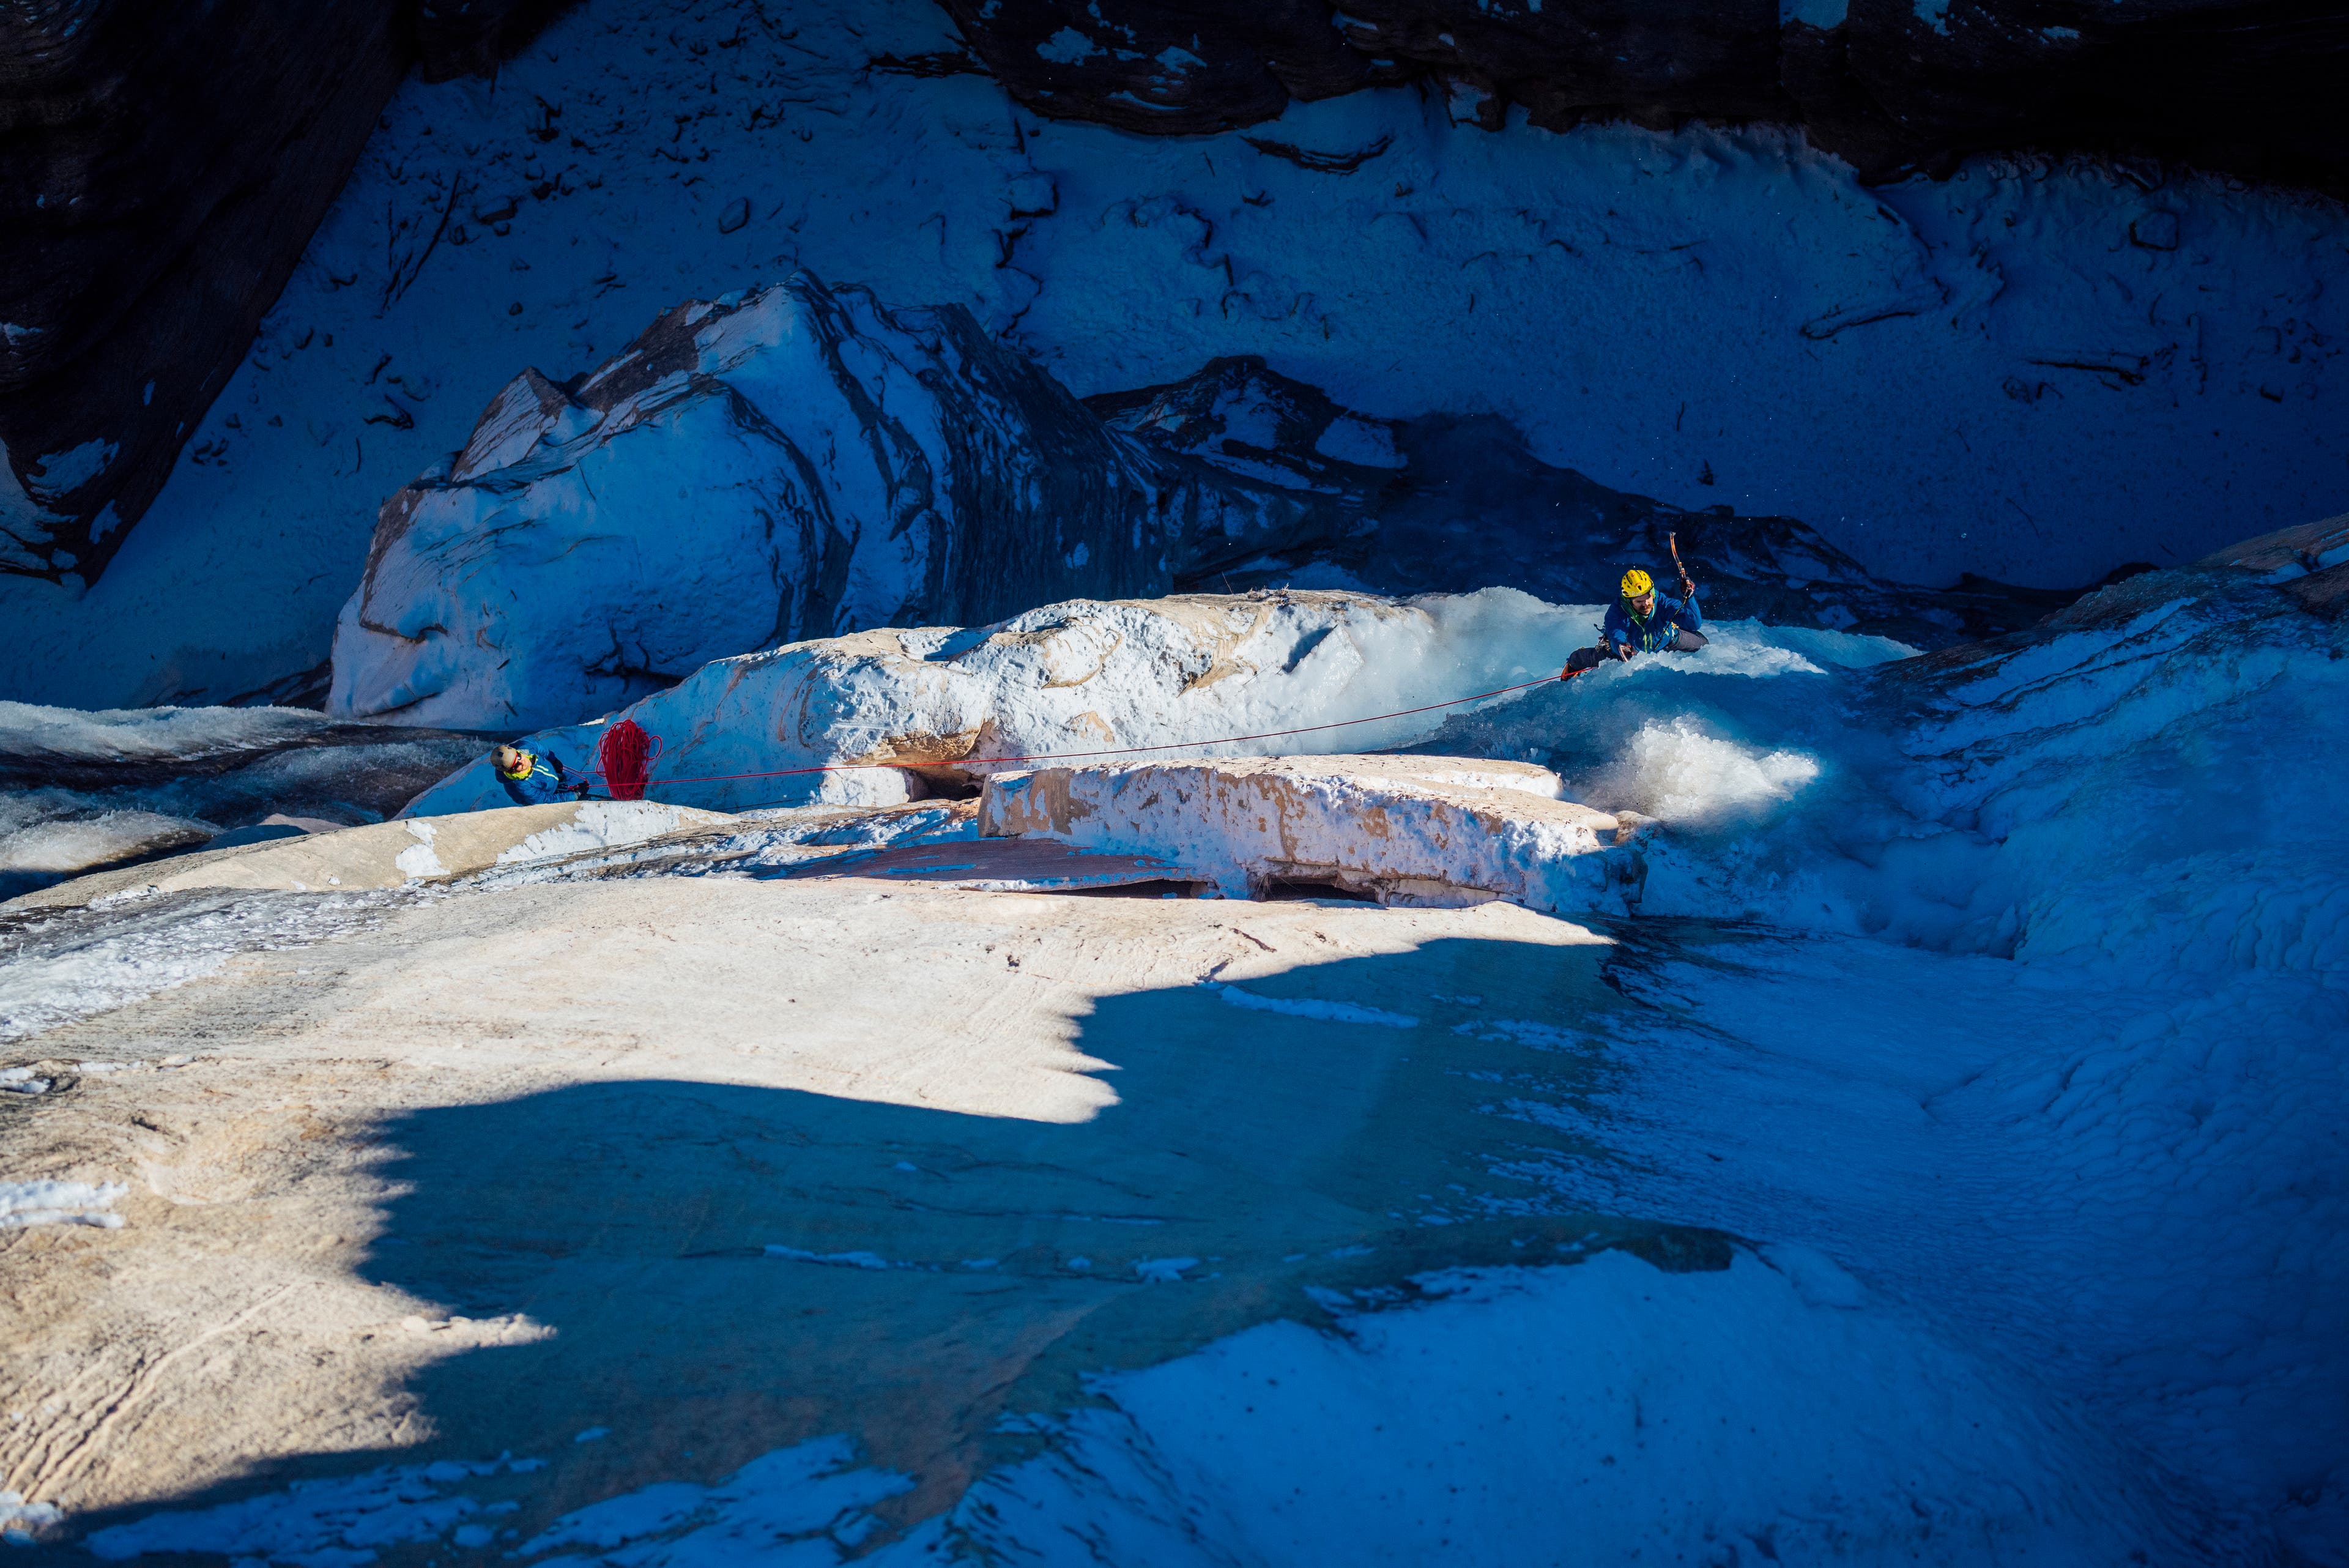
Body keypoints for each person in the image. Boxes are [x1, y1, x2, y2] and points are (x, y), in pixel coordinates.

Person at [1564, 567, 1708, 675]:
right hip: (1631, 651)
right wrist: (1622, 646)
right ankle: (1574, 661)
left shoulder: (1663, 603)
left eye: (1648, 598)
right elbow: (1616, 633)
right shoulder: (1617, 611)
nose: (1646, 604)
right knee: (1589, 658)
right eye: (1639, 601)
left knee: (1703, 644)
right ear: (1629, 601)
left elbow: (1693, 624)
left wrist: (1689, 598)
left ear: (1652, 593)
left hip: (1667, 640)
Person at [492, 743, 591, 806]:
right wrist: (575, 795)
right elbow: (545, 800)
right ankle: (557, 788)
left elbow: (539, 748)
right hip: (544, 794)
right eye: (516, 765)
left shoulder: (525, 748)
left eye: (518, 757)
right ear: (510, 771)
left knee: (554, 781)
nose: (521, 762)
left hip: (549, 777)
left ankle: (557, 781)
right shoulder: (522, 787)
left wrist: (553, 760)